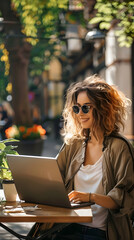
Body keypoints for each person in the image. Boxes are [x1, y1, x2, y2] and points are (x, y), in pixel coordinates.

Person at [29, 75, 134, 240]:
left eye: (86, 108)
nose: (80, 114)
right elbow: (53, 178)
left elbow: (125, 199)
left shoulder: (119, 147)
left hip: (102, 233)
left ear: (102, 108)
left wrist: (90, 197)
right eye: (76, 108)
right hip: (67, 228)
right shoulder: (74, 144)